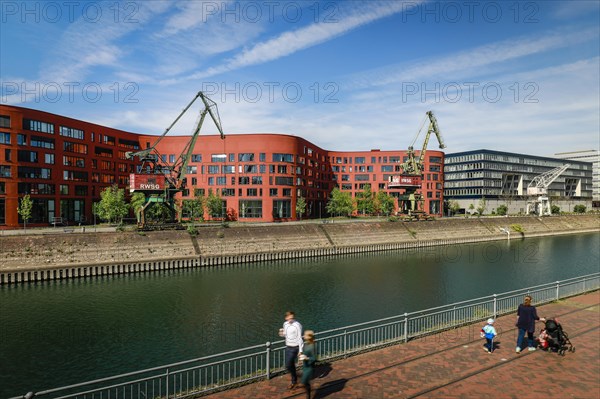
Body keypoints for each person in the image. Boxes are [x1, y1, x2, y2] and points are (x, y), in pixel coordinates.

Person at [279, 311, 303, 389]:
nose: (291, 319)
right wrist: (281, 333)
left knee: (288, 365)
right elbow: (285, 334)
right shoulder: (285, 324)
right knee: (290, 364)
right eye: (289, 318)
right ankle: (294, 380)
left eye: (292, 318)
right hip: (288, 347)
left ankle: (295, 378)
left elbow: (300, 338)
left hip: (295, 347)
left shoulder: (297, 325)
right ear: (286, 318)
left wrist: (300, 351)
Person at [300, 330, 317, 399]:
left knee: (304, 382)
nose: (303, 336)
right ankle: (308, 394)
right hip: (305, 366)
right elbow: (305, 353)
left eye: (305, 335)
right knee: (304, 382)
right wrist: (301, 356)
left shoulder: (312, 346)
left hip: (309, 367)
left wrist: (306, 358)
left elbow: (314, 358)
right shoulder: (306, 344)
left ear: (309, 337)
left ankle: (308, 396)